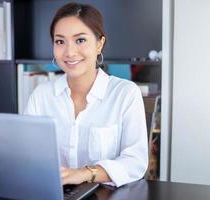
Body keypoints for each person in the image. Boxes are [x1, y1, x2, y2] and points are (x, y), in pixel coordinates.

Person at [24, 2, 148, 187]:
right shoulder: (41, 95)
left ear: (99, 44)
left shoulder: (125, 93)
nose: (70, 52)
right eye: (60, 41)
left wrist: (84, 173)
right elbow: (25, 156)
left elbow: (135, 162)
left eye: (80, 40)